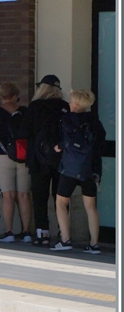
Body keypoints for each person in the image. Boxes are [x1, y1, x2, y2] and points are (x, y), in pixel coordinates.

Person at [52, 89, 105, 254]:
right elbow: (100, 141)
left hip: (70, 167)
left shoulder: (68, 119)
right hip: (90, 168)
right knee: (91, 207)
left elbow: (66, 140)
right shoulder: (94, 120)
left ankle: (65, 240)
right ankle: (94, 244)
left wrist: (58, 147)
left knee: (61, 203)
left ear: (75, 104)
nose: (69, 103)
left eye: (71, 101)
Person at [0, 82, 33, 243]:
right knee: (24, 195)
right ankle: (27, 232)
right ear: (15, 95)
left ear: (1, 96)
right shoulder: (25, 112)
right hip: (24, 156)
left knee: (8, 195)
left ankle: (9, 232)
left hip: (2, 155)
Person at [24, 76, 69, 246]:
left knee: (39, 197)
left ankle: (42, 234)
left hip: (38, 159)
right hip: (61, 158)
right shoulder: (65, 107)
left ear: (42, 88)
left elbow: (25, 131)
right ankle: (63, 233)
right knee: (61, 198)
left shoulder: (35, 107)